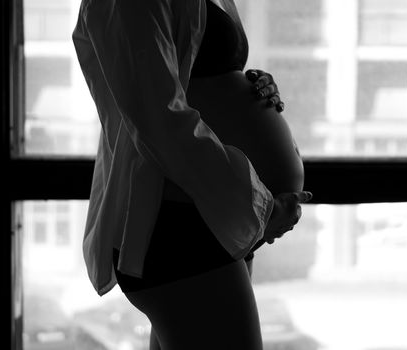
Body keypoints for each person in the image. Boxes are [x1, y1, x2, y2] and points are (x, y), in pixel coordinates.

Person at [72, 0, 312, 349]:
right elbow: (159, 119)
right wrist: (260, 206)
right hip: (178, 223)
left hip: (210, 218)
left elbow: (192, 79)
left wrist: (250, 88)